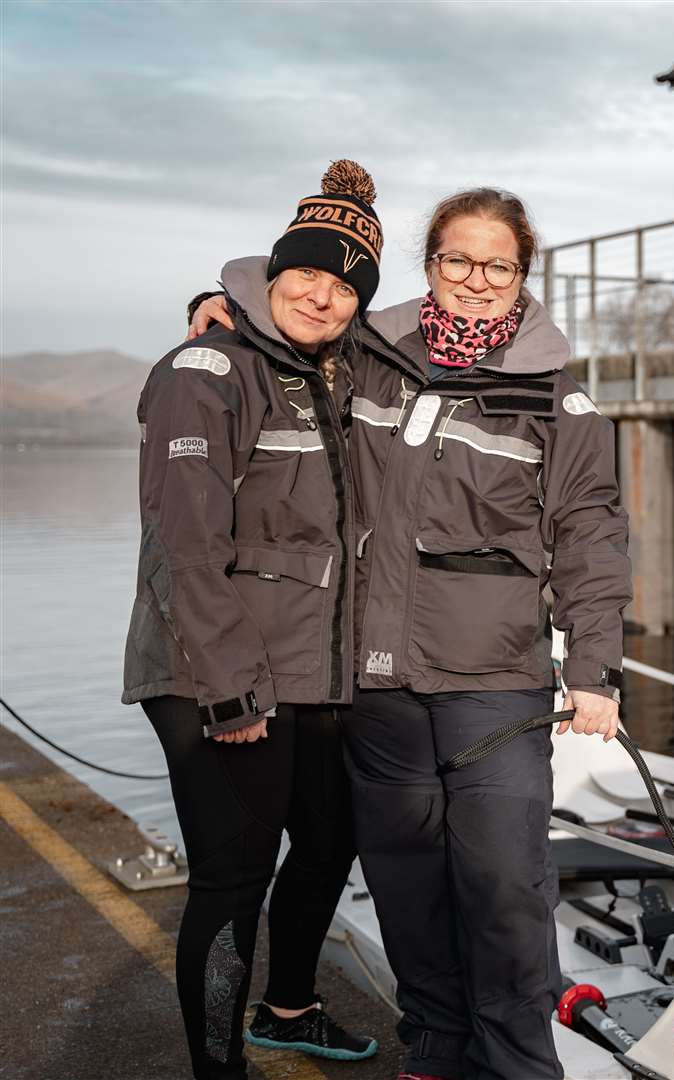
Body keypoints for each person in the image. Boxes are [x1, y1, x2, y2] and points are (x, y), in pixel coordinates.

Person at [193, 187, 631, 1080]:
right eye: (456, 260)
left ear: (522, 278)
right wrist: (218, 313)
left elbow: (591, 536)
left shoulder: (559, 400)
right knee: (404, 879)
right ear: (430, 265)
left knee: (505, 885)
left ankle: (517, 1062)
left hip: (494, 682)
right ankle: (434, 1045)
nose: (475, 280)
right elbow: (293, 317)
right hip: (376, 681)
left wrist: (595, 670)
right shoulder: (367, 357)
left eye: (496, 265)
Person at [123, 161, 382, 1078]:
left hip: (311, 669)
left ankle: (290, 1008)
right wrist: (232, 688)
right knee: (233, 880)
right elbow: (186, 544)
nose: (322, 293)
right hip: (211, 673)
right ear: (271, 274)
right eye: (306, 271)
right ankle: (217, 1068)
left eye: (345, 283)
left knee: (329, 840)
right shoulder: (210, 368)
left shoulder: (335, 371)